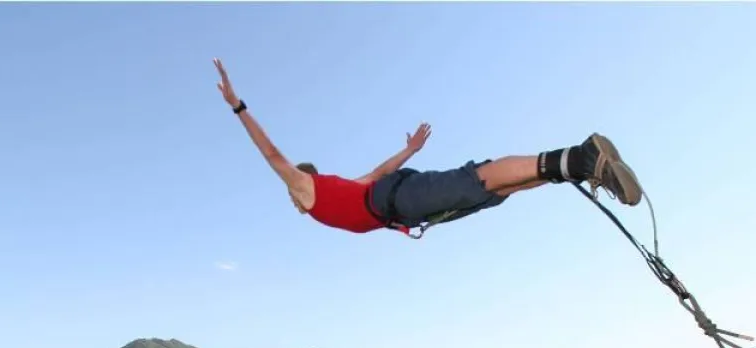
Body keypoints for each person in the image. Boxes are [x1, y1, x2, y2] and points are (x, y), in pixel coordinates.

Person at [213, 58, 643, 237]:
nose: (292, 198)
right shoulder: (338, 189)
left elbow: (271, 154)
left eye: (290, 189)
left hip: (397, 199)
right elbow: (378, 171)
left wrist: (238, 107)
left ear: (299, 182)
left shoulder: (307, 188)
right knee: (492, 192)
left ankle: (584, 156)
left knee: (479, 178)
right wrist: (411, 152)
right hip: (399, 203)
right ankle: (574, 168)